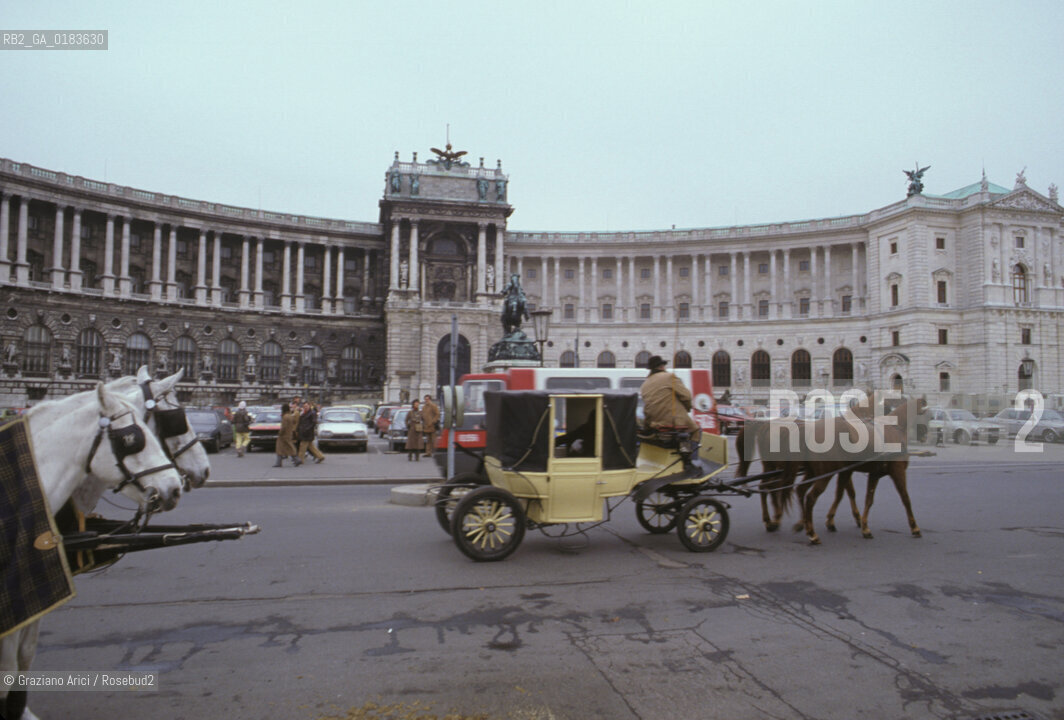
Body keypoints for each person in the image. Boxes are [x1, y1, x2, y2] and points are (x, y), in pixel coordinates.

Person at [640, 355, 699, 437]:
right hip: (673, 421)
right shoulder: (668, 377)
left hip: (654, 422)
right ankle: (693, 449)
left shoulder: (644, 384)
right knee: (696, 431)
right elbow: (686, 396)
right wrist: (688, 408)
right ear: (661, 367)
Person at [275, 402, 300, 467]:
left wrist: (280, 433)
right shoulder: (290, 416)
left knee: (279, 448)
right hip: (289, 434)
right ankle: (296, 459)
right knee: (289, 447)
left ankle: (279, 462)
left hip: (283, 435)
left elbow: (284, 427)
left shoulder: (285, 417)